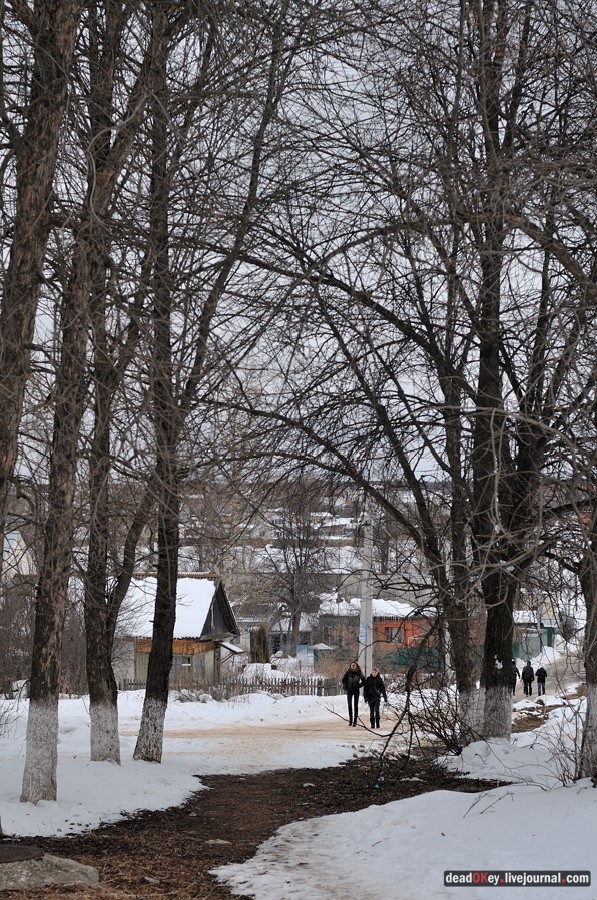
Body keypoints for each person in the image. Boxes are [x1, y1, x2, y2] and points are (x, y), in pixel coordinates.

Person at [341, 661, 365, 726]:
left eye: (354, 665)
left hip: (356, 690)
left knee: (356, 705)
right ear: (350, 666)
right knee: (349, 705)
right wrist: (346, 685)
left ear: (356, 666)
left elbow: (364, 681)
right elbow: (343, 680)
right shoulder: (348, 672)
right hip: (349, 691)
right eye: (352, 665)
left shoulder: (359, 673)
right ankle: (350, 720)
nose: (353, 666)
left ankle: (355, 720)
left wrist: (359, 685)